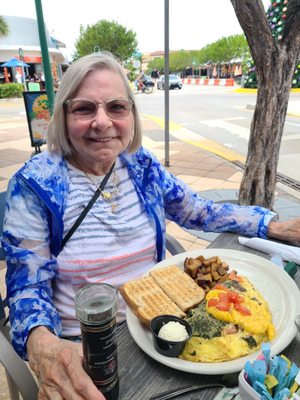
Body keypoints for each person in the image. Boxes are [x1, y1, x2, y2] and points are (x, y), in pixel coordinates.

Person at [2, 51, 300, 400]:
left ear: (131, 113)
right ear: (64, 115)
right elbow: (26, 287)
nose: (102, 122)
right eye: (84, 108)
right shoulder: (36, 183)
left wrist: (271, 226)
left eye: (116, 107)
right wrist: (44, 345)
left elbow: (197, 212)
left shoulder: (139, 164)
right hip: (87, 345)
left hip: (163, 329)